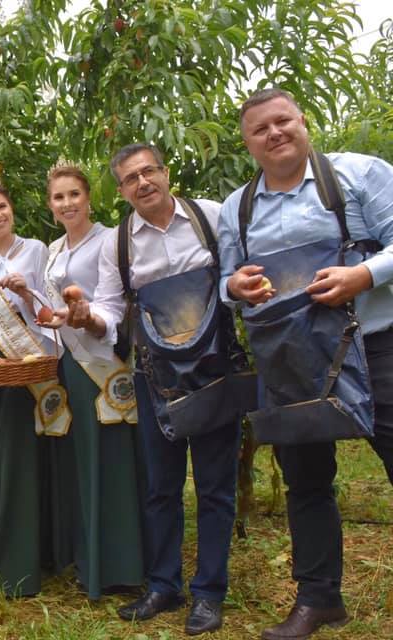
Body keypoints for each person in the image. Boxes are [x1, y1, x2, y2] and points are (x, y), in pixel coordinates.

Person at [218, 87, 393, 640]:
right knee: (307, 481)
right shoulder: (237, 207)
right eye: (260, 129)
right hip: (291, 356)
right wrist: (236, 286)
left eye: (282, 121)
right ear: (247, 143)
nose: (274, 134)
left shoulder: (360, 174)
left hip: (376, 344)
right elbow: (227, 281)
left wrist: (362, 276)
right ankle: (319, 599)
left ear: (302, 120)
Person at [68, 144, 243, 634]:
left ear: (166, 174)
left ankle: (209, 593)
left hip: (212, 371)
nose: (142, 182)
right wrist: (87, 319)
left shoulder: (209, 216)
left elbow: (234, 275)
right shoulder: (118, 243)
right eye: (130, 178)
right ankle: (164, 585)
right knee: (160, 488)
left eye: (149, 171)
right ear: (121, 190)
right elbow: (108, 308)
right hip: (154, 377)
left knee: (214, 488)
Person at [0, 175, 72, 597]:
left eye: (2, 207)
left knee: (30, 453)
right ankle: (2, 554)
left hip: (30, 353)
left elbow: (46, 308)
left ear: (12, 209)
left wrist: (26, 292)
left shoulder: (37, 250)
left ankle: (39, 553)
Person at [38, 162, 145, 599]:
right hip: (68, 365)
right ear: (50, 204)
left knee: (111, 462)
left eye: (74, 195)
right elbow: (52, 307)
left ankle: (120, 564)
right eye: (59, 197)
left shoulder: (108, 241)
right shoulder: (53, 249)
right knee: (81, 463)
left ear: (89, 198)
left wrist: (88, 319)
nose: (67, 203)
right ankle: (88, 556)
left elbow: (111, 306)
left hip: (100, 365)